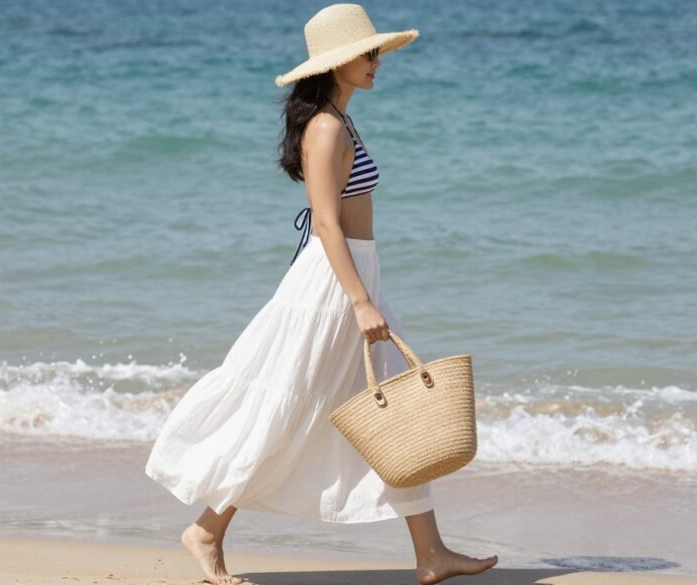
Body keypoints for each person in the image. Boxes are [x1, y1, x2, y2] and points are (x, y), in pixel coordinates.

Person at [144, 4, 498, 584]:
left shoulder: (339, 119)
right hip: (334, 285)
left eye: (377, 51)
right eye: (368, 53)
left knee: (396, 413)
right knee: (288, 408)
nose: (377, 61)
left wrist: (365, 291)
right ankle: (206, 531)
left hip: (355, 274)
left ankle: (431, 553)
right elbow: (328, 223)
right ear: (337, 62)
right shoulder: (327, 128)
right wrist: (359, 301)